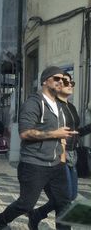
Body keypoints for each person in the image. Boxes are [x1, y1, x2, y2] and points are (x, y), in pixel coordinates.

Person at [0, 66, 75, 230]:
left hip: (56, 165)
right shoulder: (33, 103)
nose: (61, 82)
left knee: (64, 203)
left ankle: (35, 216)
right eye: (56, 78)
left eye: (63, 79)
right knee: (26, 203)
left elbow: (61, 135)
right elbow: (25, 133)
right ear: (44, 81)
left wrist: (62, 157)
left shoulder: (60, 107)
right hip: (34, 163)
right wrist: (54, 133)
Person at [27, 72, 91, 229]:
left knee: (70, 196)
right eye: (66, 82)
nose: (70, 85)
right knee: (64, 200)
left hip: (72, 155)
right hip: (57, 156)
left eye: (71, 83)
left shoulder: (71, 107)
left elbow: (75, 132)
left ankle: (37, 214)